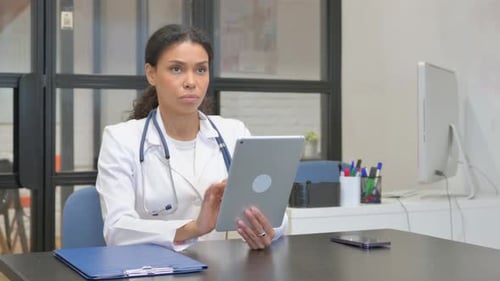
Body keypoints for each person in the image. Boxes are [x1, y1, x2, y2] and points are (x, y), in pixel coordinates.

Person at [96, 24, 286, 251]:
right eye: (176, 69)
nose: (191, 81)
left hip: (228, 269)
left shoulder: (234, 133)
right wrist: (194, 227)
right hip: (159, 271)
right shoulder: (121, 139)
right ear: (151, 73)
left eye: (200, 70)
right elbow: (117, 230)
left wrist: (264, 231)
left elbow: (276, 215)